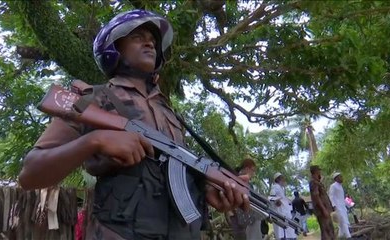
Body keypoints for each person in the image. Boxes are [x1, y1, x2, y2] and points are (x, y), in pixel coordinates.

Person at [18, 9, 250, 240]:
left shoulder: (170, 113)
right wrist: (94, 141)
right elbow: (30, 174)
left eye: (153, 41)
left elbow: (167, 174)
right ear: (113, 49)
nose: (149, 44)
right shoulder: (93, 100)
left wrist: (206, 190)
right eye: (138, 37)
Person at [226, 158, 265, 240]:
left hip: (244, 219)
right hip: (243, 219)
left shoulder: (239, 179)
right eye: (253, 170)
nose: (253, 173)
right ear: (247, 168)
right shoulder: (237, 179)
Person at [308, 165, 335, 240]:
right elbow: (316, 197)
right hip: (322, 210)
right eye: (319, 170)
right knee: (326, 231)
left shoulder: (317, 182)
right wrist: (323, 209)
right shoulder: (313, 182)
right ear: (316, 171)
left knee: (330, 229)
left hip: (325, 209)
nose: (320, 172)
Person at [269, 172, 297, 240]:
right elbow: (271, 198)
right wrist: (276, 201)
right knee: (283, 233)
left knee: (288, 232)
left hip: (285, 214)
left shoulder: (280, 188)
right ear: (278, 179)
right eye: (282, 178)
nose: (284, 180)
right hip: (280, 214)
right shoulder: (275, 187)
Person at [329, 172, 351, 239]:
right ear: (336, 178)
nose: (341, 178)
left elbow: (342, 198)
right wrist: (334, 206)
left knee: (341, 224)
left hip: (343, 207)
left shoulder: (340, 186)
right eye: (340, 177)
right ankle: (349, 237)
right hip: (338, 207)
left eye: (341, 176)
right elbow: (331, 196)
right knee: (343, 221)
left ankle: (340, 237)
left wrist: (349, 204)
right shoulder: (333, 186)